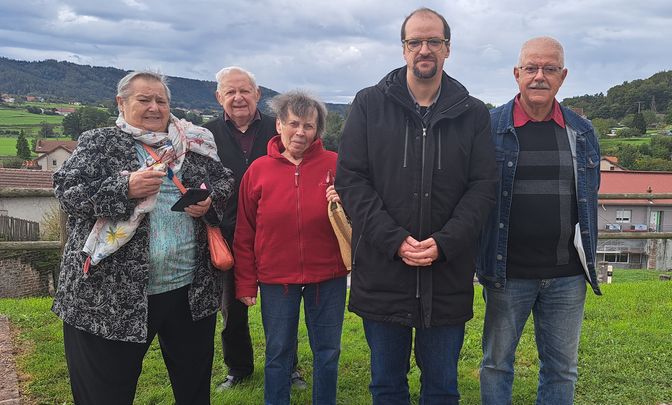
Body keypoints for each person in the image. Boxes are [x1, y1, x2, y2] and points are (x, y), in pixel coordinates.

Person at [335, 8, 497, 404]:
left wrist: (445, 241)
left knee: (442, 387)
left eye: (433, 42)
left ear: (447, 49)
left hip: (446, 275)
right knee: (387, 385)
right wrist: (395, 240)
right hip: (384, 271)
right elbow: (352, 179)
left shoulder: (472, 112)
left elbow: (484, 186)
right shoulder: (369, 104)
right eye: (415, 42)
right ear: (404, 49)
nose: (424, 49)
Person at [52, 71, 233, 404]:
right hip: (111, 296)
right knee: (106, 392)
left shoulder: (191, 142)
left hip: (188, 292)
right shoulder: (100, 142)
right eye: (144, 99)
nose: (154, 107)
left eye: (161, 100)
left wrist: (208, 201)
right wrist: (125, 188)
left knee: (193, 389)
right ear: (121, 103)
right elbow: (67, 194)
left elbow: (223, 183)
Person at [477, 36, 601, 405]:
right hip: (507, 273)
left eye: (549, 69)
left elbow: (587, 200)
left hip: (566, 275)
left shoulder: (582, 131)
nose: (539, 76)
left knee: (562, 368)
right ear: (517, 74)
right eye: (531, 68)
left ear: (562, 76)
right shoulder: (489, 127)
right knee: (497, 364)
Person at [234, 90, 348, 405]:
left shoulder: (336, 165)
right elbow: (245, 231)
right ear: (280, 125)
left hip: (328, 276)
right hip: (275, 280)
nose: (301, 132)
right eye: (294, 124)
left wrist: (344, 203)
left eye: (309, 126)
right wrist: (246, 281)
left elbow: (357, 220)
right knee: (278, 351)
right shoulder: (258, 170)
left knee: (327, 351)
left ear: (318, 131)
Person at [202, 66, 306, 391]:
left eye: (244, 91)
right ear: (219, 98)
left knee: (283, 308)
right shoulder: (205, 135)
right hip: (229, 236)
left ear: (258, 94)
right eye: (230, 92)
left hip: (279, 236)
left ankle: (289, 367)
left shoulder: (278, 129)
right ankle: (239, 368)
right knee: (232, 309)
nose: (238, 98)